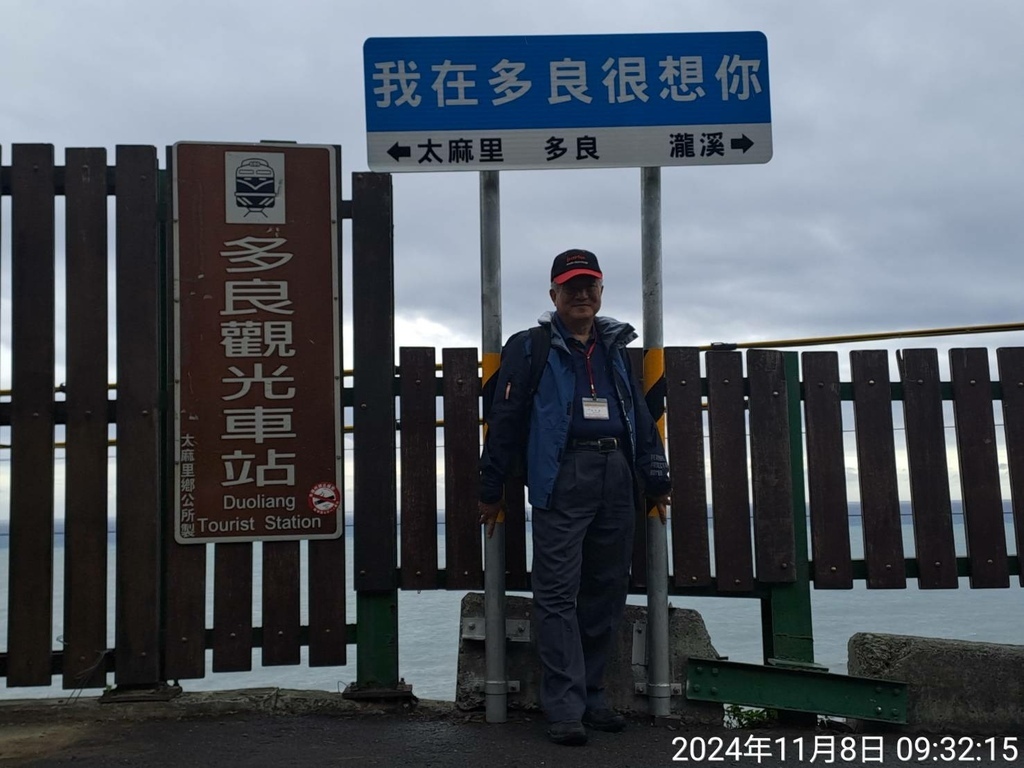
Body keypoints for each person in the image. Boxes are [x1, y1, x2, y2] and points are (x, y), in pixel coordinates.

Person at [478, 248, 671, 747]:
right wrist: (490, 487)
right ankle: (564, 706)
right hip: (561, 472)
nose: (581, 294)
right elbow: (505, 418)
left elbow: (638, 414)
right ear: (553, 294)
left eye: (589, 285)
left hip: (616, 473)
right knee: (558, 593)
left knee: (606, 588)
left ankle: (592, 695)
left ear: (601, 291)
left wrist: (656, 477)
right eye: (571, 287)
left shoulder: (616, 346)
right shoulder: (530, 347)